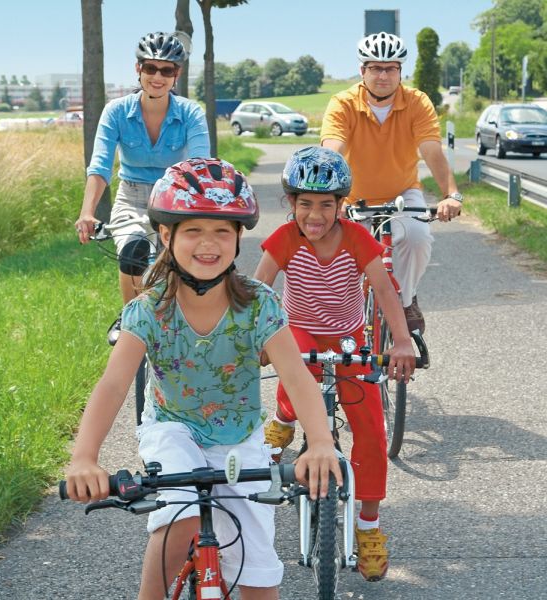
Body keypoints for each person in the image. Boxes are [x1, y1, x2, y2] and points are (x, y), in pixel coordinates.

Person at [65, 158, 342, 600]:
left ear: (238, 237)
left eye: (222, 231)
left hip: (240, 438)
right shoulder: (149, 310)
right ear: (166, 235)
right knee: (182, 517)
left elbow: (298, 377)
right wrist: (84, 457)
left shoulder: (259, 305)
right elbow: (113, 385)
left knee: (260, 578)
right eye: (193, 230)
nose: (208, 244)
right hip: (174, 429)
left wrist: (322, 443)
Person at [254, 146, 415, 582]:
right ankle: (283, 418)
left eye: (327, 204)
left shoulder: (357, 239)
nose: (316, 214)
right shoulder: (283, 239)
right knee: (294, 375)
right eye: (305, 204)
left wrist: (401, 341)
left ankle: (368, 526)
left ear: (342, 205)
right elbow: (258, 289)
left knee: (370, 429)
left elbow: (383, 291)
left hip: (348, 335)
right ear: (291, 204)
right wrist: (254, 338)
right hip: (298, 329)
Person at [320, 31, 463, 334]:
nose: (383, 75)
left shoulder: (416, 102)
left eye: (390, 68)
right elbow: (333, 150)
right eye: (375, 68)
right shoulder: (343, 104)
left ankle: (407, 299)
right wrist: (328, 199)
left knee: (417, 237)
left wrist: (451, 194)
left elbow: (431, 150)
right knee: (340, 260)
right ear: (362, 71)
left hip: (401, 194)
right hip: (352, 197)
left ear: (400, 71)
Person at [74, 31, 210, 344]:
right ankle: (131, 319)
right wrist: (87, 213)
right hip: (132, 197)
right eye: (150, 68)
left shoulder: (191, 113)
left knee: (183, 263)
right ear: (138, 70)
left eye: (166, 70)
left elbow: (201, 166)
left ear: (177, 74)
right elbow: (100, 167)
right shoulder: (117, 112)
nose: (158, 77)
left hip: (176, 197)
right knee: (134, 248)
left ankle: (185, 322)